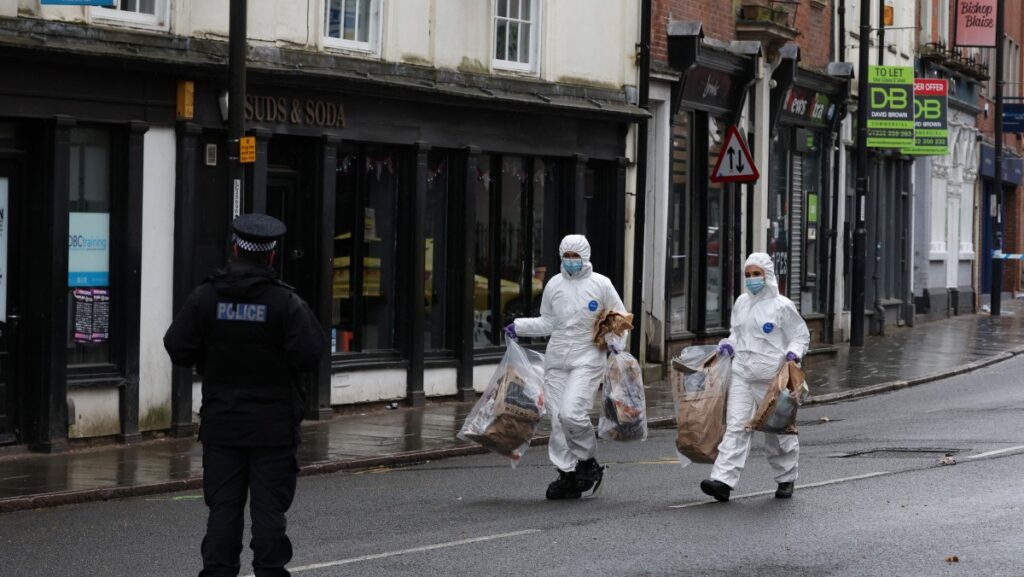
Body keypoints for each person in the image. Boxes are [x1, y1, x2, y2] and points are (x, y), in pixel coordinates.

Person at [164, 214, 326, 577]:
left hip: (222, 425)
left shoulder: (205, 298)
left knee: (223, 510)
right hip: (273, 429)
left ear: (235, 249)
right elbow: (311, 353)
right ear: (270, 256)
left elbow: (178, 348)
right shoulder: (286, 303)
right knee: (269, 516)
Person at [504, 234, 627, 500]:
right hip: (557, 359)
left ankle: (587, 462)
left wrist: (616, 344)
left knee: (573, 413)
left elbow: (620, 318)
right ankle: (567, 474)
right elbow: (548, 322)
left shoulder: (601, 284)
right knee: (558, 419)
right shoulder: (554, 285)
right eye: (567, 256)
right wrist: (520, 326)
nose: (571, 261)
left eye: (576, 256)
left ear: (585, 256)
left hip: (588, 356)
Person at [700, 252, 809, 502]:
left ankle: (786, 478)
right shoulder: (741, 303)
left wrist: (794, 353)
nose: (751, 279)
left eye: (756, 274)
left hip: (773, 380)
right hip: (743, 375)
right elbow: (737, 333)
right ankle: (723, 481)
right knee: (736, 427)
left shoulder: (782, 306)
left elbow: (800, 335)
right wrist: (728, 344)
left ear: (767, 275)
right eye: (748, 275)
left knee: (777, 432)